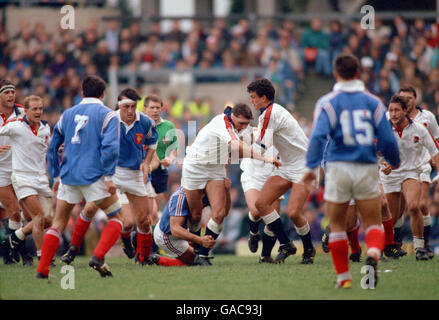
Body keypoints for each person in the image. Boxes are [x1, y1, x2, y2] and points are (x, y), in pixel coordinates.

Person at [303, 53, 400, 288]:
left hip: (337, 167)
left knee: (337, 225)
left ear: (336, 74)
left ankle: (344, 279)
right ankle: (374, 254)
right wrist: (394, 159)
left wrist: (311, 166)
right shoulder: (373, 102)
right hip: (366, 166)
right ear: (358, 73)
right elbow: (386, 138)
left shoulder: (327, 102)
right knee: (372, 223)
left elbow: (317, 136)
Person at [60, 88, 158, 266]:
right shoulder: (109, 119)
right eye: (126, 106)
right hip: (111, 172)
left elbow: (152, 142)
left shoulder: (145, 122)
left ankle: (143, 259)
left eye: (133, 107)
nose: (130, 111)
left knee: (144, 221)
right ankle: (72, 249)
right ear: (119, 106)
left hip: (134, 175)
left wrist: (146, 162)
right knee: (93, 210)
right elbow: (87, 139)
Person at [36, 75, 122, 279]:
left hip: (68, 175)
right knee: (118, 219)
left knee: (58, 224)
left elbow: (52, 148)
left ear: (82, 93)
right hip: (94, 175)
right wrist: (109, 176)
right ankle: (98, 257)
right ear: (103, 94)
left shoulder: (67, 114)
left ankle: (42, 270)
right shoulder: (109, 115)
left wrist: (56, 178)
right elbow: (110, 148)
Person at [182, 103, 281, 265]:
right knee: (195, 216)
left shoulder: (243, 127)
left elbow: (252, 140)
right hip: (194, 167)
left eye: (246, 124)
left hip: (215, 168)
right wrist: (264, 158)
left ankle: (203, 255)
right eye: (241, 123)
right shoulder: (222, 122)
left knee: (219, 213)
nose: (243, 127)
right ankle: (194, 251)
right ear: (233, 116)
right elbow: (236, 145)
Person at [246, 78, 317, 264]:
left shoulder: (269, 114)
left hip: (304, 165)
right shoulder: (270, 112)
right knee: (261, 204)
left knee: (293, 212)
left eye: (254, 97)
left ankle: (308, 250)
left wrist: (234, 147)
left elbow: (260, 148)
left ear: (263, 97)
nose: (251, 101)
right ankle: (286, 243)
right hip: (286, 164)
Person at [380, 94, 439, 261]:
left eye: (397, 110)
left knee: (414, 206)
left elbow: (435, 151)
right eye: (391, 110)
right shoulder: (383, 131)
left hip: (411, 172)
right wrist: (383, 164)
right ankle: (383, 247)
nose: (393, 114)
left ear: (405, 111)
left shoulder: (419, 129)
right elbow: (375, 152)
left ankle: (420, 247)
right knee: (393, 216)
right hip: (390, 175)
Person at [0, 95, 52, 267]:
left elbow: (47, 148)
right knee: (38, 216)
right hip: (22, 178)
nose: (38, 112)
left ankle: (15, 237)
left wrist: (58, 149)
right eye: (34, 109)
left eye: (40, 109)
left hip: (41, 179)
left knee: (48, 220)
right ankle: (42, 257)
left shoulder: (45, 128)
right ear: (26, 111)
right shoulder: (15, 126)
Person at [398, 86, 439, 259]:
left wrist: (433, 156)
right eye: (403, 97)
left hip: (423, 164)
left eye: (409, 97)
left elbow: (435, 138)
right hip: (401, 166)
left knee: (420, 205)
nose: (407, 100)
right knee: (399, 210)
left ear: (415, 99)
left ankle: (423, 244)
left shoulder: (427, 116)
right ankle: (395, 243)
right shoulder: (395, 116)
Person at [150, 184, 226, 267]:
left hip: (184, 231)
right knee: (196, 261)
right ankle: (160, 260)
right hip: (168, 236)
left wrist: (227, 191)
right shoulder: (179, 197)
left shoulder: (203, 191)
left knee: (200, 257)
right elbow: (175, 229)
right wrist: (200, 240)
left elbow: (224, 212)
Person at [240, 134, 283, 263]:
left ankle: (265, 256)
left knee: (273, 219)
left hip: (273, 178)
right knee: (256, 211)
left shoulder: (285, 135)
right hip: (252, 176)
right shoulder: (254, 130)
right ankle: (253, 233)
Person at [0, 80, 26, 265]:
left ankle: (9, 251)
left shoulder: (23, 112)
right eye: (6, 92)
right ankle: (24, 256)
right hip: (1, 170)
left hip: (20, 167)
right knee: (15, 213)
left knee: (26, 215)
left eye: (12, 92)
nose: (10, 95)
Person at [143, 94, 178, 221]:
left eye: (158, 108)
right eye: (152, 108)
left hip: (160, 171)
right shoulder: (140, 125)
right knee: (145, 212)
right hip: (143, 171)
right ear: (144, 109)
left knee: (154, 212)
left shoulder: (168, 126)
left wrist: (170, 158)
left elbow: (174, 148)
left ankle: (152, 239)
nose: (155, 111)